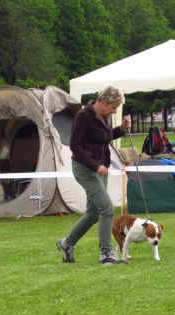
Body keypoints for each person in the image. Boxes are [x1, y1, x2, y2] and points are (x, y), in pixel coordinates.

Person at [56, 86, 131, 265]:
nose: (114, 111)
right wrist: (95, 166)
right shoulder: (83, 116)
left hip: (100, 167)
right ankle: (106, 255)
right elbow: (75, 146)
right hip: (85, 168)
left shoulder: (105, 117)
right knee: (106, 208)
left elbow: (104, 138)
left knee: (93, 213)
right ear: (104, 102)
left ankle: (67, 244)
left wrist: (121, 129)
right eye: (113, 108)